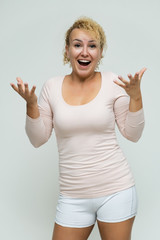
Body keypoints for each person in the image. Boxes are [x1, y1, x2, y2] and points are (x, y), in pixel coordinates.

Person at [10, 17, 146, 240]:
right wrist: (31, 105)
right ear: (67, 50)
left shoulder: (113, 82)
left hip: (116, 191)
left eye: (92, 45)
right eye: (77, 45)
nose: (85, 52)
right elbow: (38, 139)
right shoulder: (52, 86)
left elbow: (133, 134)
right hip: (72, 196)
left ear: (100, 52)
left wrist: (136, 97)